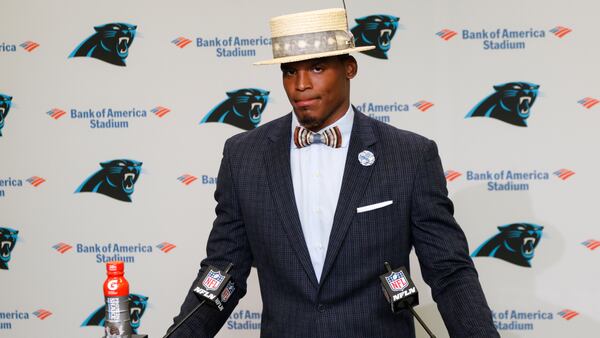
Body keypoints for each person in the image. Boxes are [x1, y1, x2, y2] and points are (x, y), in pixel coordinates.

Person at [168, 8, 499, 338]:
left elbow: (449, 272)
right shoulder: (244, 156)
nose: (300, 85)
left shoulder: (409, 156)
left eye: (317, 67)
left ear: (350, 68)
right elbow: (223, 274)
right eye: (289, 71)